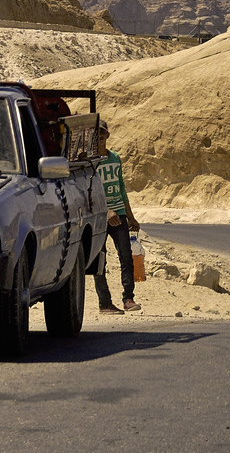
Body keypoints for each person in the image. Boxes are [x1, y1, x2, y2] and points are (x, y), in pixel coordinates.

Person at [92, 122, 140, 314]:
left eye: (102, 134)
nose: (100, 137)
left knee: (126, 257)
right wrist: (106, 211)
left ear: (108, 136)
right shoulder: (90, 160)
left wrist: (131, 216)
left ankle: (128, 298)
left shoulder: (115, 158)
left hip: (119, 214)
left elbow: (121, 188)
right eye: (96, 135)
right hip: (99, 216)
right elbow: (89, 190)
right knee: (99, 260)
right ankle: (104, 303)